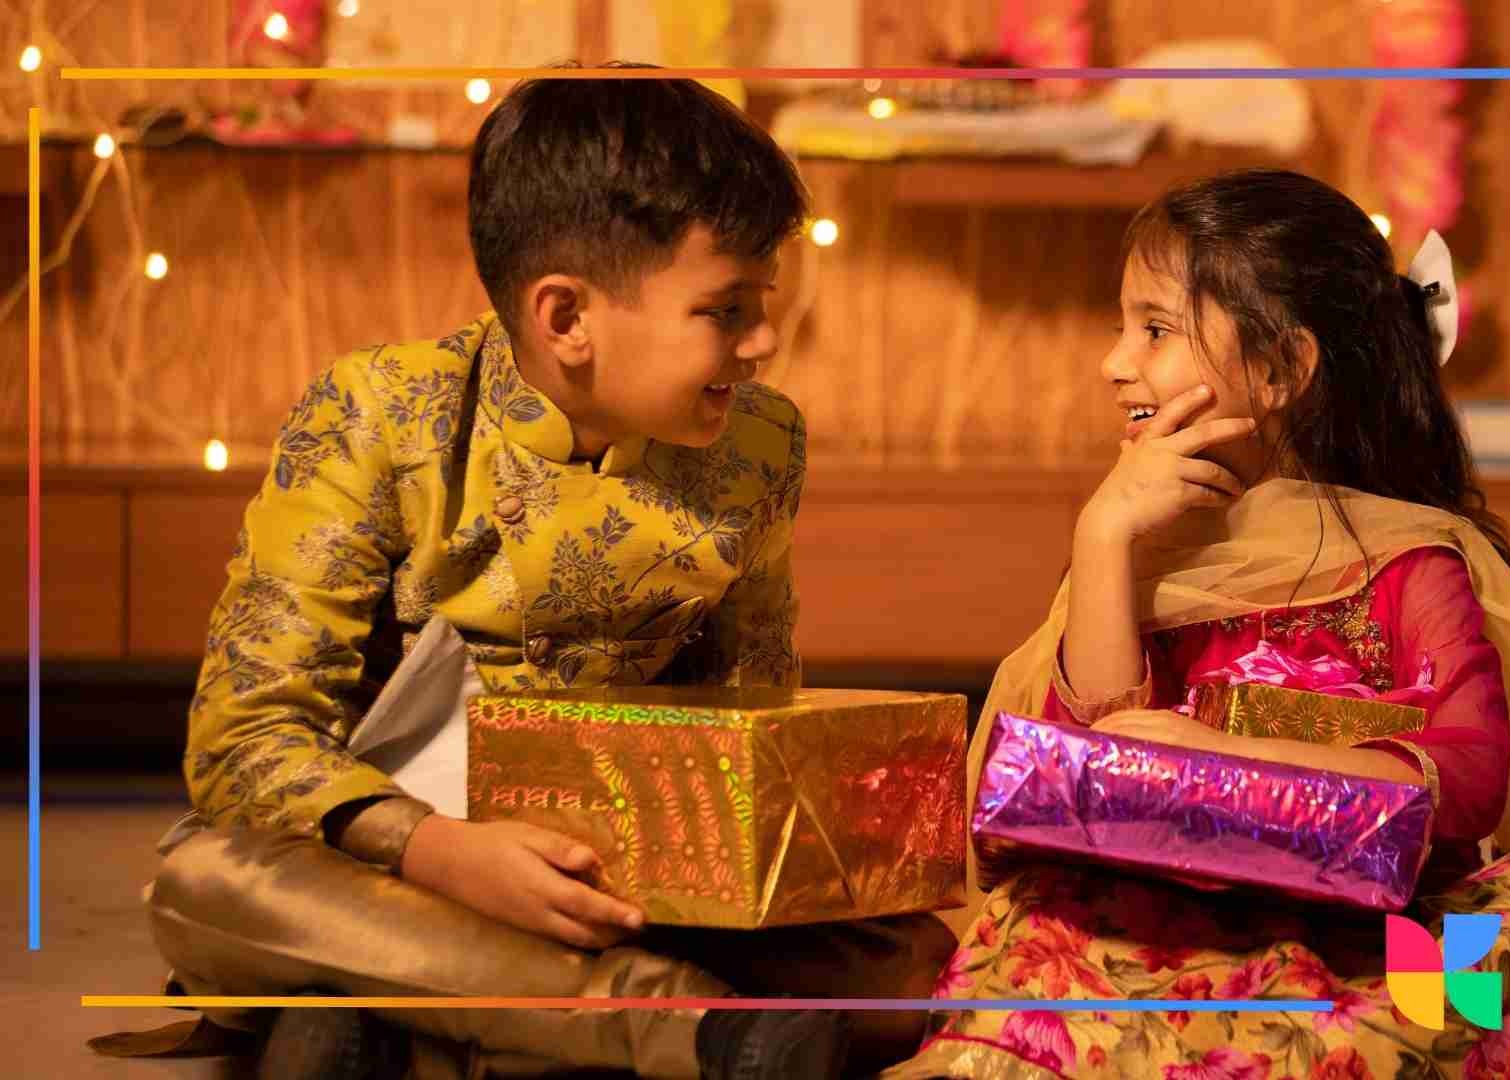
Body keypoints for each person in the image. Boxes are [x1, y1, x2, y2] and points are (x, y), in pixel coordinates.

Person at [118, 69, 954, 1080]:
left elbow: (753, 716)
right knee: (201, 882)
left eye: (762, 303)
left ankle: (410, 1019)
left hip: (630, 890)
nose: (763, 342)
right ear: (565, 318)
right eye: (724, 310)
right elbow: (243, 742)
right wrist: (439, 853)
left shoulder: (759, 443)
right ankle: (685, 1027)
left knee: (916, 959)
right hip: (383, 861)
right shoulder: (380, 413)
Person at [884, 170, 1510, 1079]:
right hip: (1193, 924)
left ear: (1285, 367)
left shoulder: (1412, 560)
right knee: (1039, 916)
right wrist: (1103, 533)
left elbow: (1474, 778)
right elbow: (1085, 765)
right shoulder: (1147, 547)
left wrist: (1229, 769)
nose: (1114, 362)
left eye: (1155, 329)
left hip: (1394, 934)